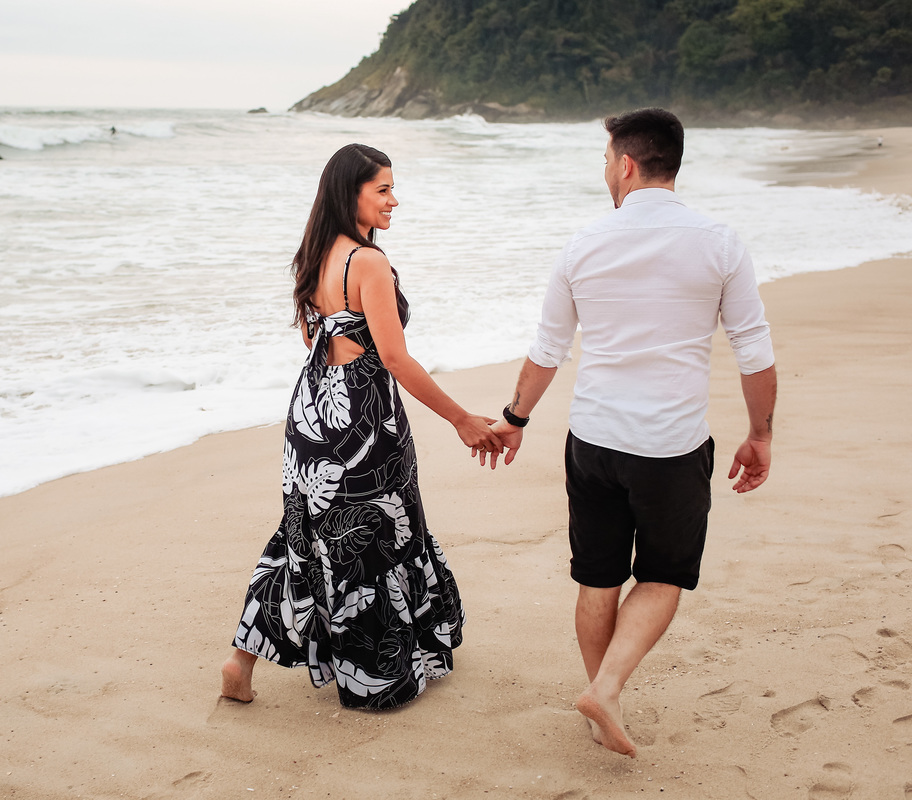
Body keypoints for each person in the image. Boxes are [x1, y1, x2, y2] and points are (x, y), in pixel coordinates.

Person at [480, 108, 778, 756]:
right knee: (665, 575)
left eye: (606, 159)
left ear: (625, 164)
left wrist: (514, 419)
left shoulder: (584, 243)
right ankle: (607, 691)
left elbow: (548, 349)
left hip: (592, 440)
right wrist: (760, 434)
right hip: (670, 447)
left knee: (598, 578)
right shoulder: (719, 241)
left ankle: (599, 703)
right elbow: (753, 350)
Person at [222, 143, 503, 709]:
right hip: (364, 421)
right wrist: (461, 419)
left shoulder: (317, 252)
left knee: (301, 533)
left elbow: (314, 338)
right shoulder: (367, 263)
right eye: (383, 189)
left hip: (310, 414)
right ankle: (377, 674)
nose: (394, 200)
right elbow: (394, 360)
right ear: (350, 192)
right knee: (382, 533)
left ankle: (239, 661)